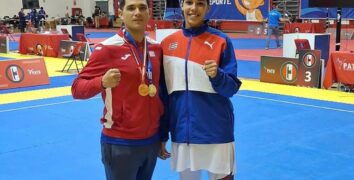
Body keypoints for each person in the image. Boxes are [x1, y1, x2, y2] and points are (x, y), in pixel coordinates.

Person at [71, 0, 165, 179]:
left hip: (151, 140)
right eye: (131, 8)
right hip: (120, 142)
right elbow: (77, 89)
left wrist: (162, 134)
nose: (137, 12)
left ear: (149, 13)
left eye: (142, 8)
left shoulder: (156, 48)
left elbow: (161, 92)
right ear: (121, 14)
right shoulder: (107, 49)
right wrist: (102, 82)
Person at [159, 0, 242, 179]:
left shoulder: (222, 41)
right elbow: (164, 95)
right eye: (189, 2)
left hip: (217, 133)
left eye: (200, 4)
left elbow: (231, 89)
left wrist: (218, 76)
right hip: (183, 133)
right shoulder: (167, 44)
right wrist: (162, 133)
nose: (194, 8)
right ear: (181, 5)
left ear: (207, 8)